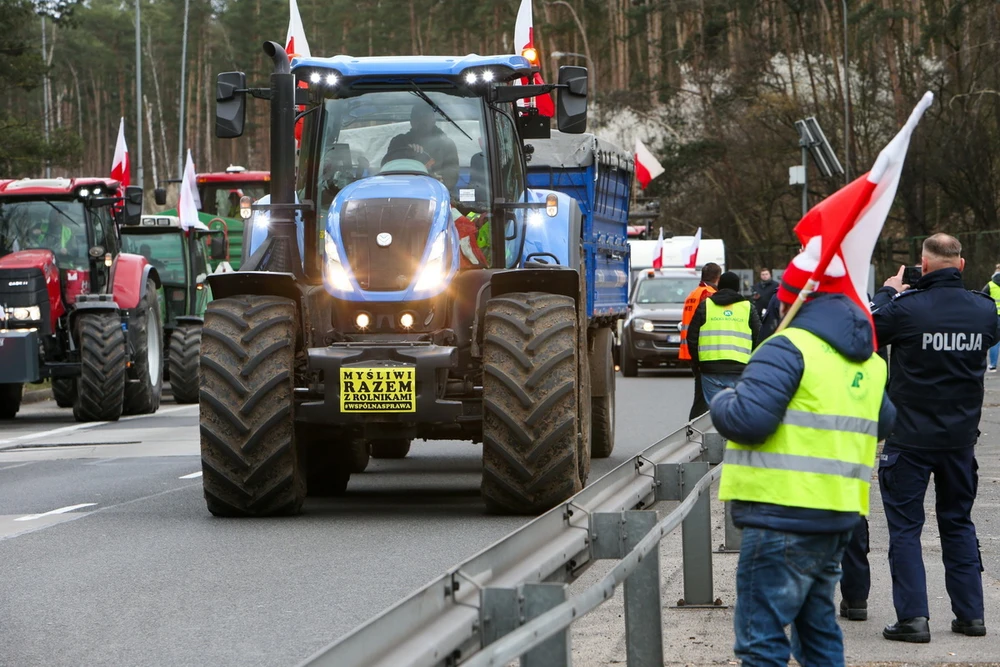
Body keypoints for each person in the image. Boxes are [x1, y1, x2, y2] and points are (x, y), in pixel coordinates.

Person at [710, 237, 895, 666]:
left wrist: (723, 399)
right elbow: (884, 421)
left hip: (780, 515)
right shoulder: (868, 361)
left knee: (762, 641)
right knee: (817, 632)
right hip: (836, 517)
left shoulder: (786, 348)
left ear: (792, 300)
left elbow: (748, 421)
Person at [870, 233, 997, 643]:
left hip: (909, 439)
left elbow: (866, 333)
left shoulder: (906, 310)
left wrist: (888, 293)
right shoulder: (983, 310)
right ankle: (971, 616)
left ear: (922, 267)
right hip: (960, 440)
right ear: (960, 265)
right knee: (958, 523)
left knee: (906, 529)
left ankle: (913, 619)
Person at [687, 270, 761, 404]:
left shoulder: (706, 306)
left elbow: (692, 338)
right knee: (737, 410)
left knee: (712, 413)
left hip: (710, 369)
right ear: (737, 287)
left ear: (719, 286)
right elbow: (759, 337)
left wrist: (698, 363)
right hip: (740, 368)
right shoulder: (747, 308)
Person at [679, 262, 722, 419]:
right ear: (718, 277)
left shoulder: (693, 294)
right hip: (702, 351)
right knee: (702, 399)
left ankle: (695, 429)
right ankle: (695, 430)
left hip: (691, 350)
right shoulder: (708, 294)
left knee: (701, 396)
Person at [384, 102, 460, 191]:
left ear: (433, 120)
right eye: (417, 117)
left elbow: (451, 174)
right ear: (411, 121)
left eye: (425, 117)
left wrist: (436, 179)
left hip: (435, 191)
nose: (422, 121)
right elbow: (387, 168)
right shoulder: (398, 142)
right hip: (402, 190)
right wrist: (406, 154)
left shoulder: (447, 144)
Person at [981, 263, 1000, 372]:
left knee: (996, 341)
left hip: (995, 315)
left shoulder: (990, 285)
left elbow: (983, 298)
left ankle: (993, 365)